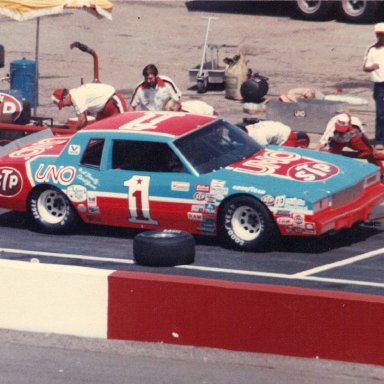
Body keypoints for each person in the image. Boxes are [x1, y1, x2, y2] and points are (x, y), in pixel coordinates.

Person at [319, 112, 384, 176]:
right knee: (333, 157)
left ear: (349, 124)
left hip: (352, 138)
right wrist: (316, 151)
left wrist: (371, 150)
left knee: (370, 153)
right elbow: (322, 142)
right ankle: (334, 173)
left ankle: (381, 174)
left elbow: (364, 137)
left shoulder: (356, 124)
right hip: (337, 141)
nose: (341, 131)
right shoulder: (331, 126)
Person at [52, 83, 127, 129]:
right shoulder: (75, 95)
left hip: (113, 102)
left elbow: (82, 120)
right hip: (102, 108)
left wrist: (75, 132)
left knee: (122, 128)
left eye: (63, 104)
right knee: (99, 130)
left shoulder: (76, 96)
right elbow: (84, 120)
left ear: (65, 97)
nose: (66, 106)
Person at [363, 22, 384, 145]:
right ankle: (380, 140)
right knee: (381, 114)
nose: (381, 38)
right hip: (380, 86)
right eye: (379, 35)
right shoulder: (372, 50)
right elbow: (365, 67)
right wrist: (371, 67)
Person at [240, 120, 310, 148]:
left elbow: (264, 152)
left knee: (283, 160)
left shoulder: (256, 136)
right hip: (277, 129)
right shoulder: (247, 128)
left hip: (286, 136)